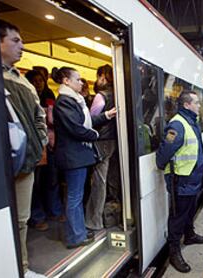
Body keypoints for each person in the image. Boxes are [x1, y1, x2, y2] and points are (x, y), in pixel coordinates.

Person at [0, 20, 48, 278]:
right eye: (15, 41)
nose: (22, 46)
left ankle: (22, 268)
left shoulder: (22, 80)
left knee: (20, 220)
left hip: (24, 162)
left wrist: (39, 142)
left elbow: (39, 116)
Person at [52, 67, 116, 249]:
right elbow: (76, 128)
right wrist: (97, 136)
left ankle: (79, 230)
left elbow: (87, 123)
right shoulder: (65, 101)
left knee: (77, 196)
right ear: (66, 81)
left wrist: (106, 115)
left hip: (78, 156)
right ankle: (75, 237)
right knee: (74, 197)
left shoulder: (75, 101)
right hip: (73, 157)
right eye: (78, 79)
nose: (82, 82)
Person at [156, 90, 203, 273]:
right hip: (181, 180)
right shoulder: (178, 124)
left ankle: (190, 235)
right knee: (177, 217)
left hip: (192, 179)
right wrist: (165, 168)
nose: (199, 105)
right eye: (197, 102)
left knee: (189, 210)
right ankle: (174, 252)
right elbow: (164, 152)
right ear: (187, 105)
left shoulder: (190, 122)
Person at [25, 70, 64, 231]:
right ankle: (37, 216)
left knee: (51, 180)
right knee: (34, 184)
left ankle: (54, 211)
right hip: (33, 146)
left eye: (41, 80)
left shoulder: (49, 96)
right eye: (35, 80)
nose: (39, 83)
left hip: (50, 146)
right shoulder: (27, 98)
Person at [85, 64, 120, 231]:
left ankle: (94, 220)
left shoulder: (101, 96)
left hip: (102, 142)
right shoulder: (120, 93)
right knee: (112, 179)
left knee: (99, 181)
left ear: (103, 77)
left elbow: (90, 121)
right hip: (115, 141)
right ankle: (115, 212)